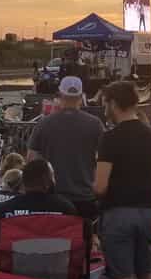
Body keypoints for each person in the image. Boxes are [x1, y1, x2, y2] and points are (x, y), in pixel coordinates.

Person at [95, 81, 151, 279]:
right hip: (149, 212)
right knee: (146, 271)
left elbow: (100, 186)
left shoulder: (110, 138)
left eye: (105, 103)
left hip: (119, 213)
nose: (104, 109)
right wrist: (144, 187)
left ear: (114, 104)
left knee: (122, 277)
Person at [28, 76, 105, 218]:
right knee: (84, 238)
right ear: (81, 96)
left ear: (60, 94)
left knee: (55, 239)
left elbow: (32, 160)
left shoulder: (44, 124)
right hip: (85, 197)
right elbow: (105, 158)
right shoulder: (95, 124)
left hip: (52, 198)